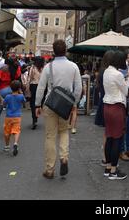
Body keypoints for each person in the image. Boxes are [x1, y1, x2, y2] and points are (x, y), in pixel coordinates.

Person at [35, 40, 82, 179]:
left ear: (53, 51)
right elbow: (78, 88)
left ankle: (49, 169)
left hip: (51, 104)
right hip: (66, 105)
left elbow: (41, 87)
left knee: (50, 136)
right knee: (63, 132)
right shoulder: (73, 66)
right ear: (66, 50)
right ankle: (64, 158)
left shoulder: (48, 67)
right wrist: (74, 103)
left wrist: (37, 105)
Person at [103, 51, 128, 180]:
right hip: (116, 107)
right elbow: (126, 91)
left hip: (106, 106)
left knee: (109, 138)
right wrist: (128, 78)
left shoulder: (106, 71)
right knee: (117, 138)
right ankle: (113, 170)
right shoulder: (118, 74)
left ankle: (107, 168)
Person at [0, 57, 21, 132]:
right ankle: (12, 127)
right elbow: (18, 79)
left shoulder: (2, 69)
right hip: (12, 91)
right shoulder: (16, 69)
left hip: (2, 90)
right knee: (12, 110)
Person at [3, 80, 26, 156]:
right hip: (17, 117)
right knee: (16, 131)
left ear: (10, 88)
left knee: (7, 132)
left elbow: (4, 104)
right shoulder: (21, 96)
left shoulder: (7, 96)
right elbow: (24, 102)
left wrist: (3, 104)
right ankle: (15, 143)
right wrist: (21, 93)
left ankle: (7, 146)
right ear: (19, 88)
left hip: (8, 117)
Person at [27, 56, 45, 129]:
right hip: (42, 86)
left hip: (34, 86)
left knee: (33, 103)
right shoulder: (44, 68)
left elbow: (29, 78)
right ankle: (37, 114)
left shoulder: (33, 68)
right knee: (40, 102)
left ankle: (34, 119)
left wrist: (27, 87)